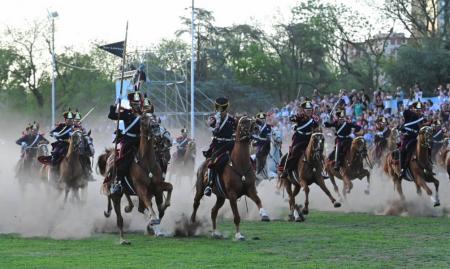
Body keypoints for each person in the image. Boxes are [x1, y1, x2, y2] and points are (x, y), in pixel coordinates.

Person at [107, 91, 143, 192]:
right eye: (135, 104)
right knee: (121, 163)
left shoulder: (144, 114)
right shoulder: (127, 113)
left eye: (138, 103)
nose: (137, 105)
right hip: (129, 142)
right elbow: (112, 116)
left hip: (141, 141)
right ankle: (118, 183)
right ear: (131, 104)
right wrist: (115, 104)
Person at [203, 97, 236, 197]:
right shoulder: (213, 118)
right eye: (219, 108)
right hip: (218, 145)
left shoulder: (231, 119)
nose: (220, 111)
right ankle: (209, 184)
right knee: (213, 162)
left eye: (222, 108)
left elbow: (235, 131)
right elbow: (209, 127)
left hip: (230, 144)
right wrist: (213, 123)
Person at [281, 100, 319, 179]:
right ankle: (286, 170)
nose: (309, 112)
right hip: (299, 138)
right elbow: (292, 119)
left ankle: (321, 170)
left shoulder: (313, 120)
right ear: (304, 111)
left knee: (318, 151)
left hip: (309, 139)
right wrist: (292, 117)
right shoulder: (300, 117)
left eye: (310, 110)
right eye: (307, 110)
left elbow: (317, 129)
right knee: (293, 151)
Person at [398, 101, 426, 179]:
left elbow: (425, 126)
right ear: (413, 109)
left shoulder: (422, 118)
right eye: (417, 109)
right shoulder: (409, 114)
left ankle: (429, 164)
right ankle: (402, 169)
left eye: (420, 109)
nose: (418, 111)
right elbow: (405, 112)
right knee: (402, 150)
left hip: (417, 138)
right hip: (408, 137)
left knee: (428, 146)